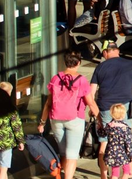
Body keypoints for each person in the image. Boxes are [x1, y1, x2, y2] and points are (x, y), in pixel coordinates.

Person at [90, 41, 132, 179]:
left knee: (104, 142)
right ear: (118, 51)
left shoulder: (100, 67)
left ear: (105, 52)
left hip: (104, 108)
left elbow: (91, 93)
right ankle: (129, 175)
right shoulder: (131, 64)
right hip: (124, 108)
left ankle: (104, 175)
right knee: (126, 140)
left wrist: (93, 111)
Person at [39, 51, 99, 179]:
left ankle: (61, 174)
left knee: (63, 152)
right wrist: (100, 119)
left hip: (56, 119)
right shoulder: (81, 80)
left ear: (65, 63)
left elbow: (48, 103)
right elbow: (91, 102)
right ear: (79, 63)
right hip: (75, 119)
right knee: (72, 154)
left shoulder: (56, 78)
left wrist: (42, 122)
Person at [99, 104, 132, 179]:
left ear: (112, 114)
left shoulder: (109, 126)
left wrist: (99, 127)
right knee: (126, 171)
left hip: (111, 152)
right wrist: (131, 155)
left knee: (115, 172)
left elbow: (102, 134)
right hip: (123, 154)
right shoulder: (125, 128)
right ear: (124, 115)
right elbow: (129, 143)